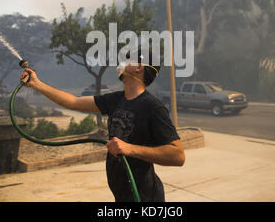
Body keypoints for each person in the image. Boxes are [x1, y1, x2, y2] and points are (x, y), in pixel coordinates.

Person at [20, 50, 185, 202]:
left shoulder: (153, 107)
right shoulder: (115, 99)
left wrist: (129, 149)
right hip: (121, 194)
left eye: (128, 60)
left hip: (144, 197)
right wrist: (36, 83)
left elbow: (177, 155)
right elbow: (73, 102)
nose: (121, 63)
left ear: (139, 67)